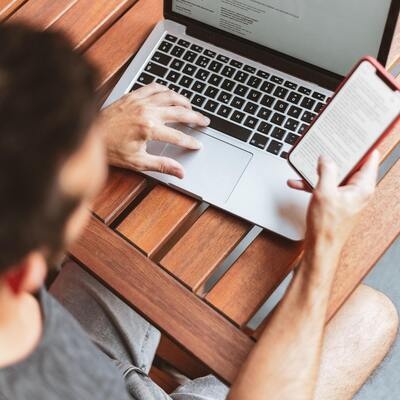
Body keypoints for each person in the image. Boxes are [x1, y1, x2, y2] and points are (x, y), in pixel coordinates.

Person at [0, 23, 397, 400]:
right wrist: (323, 251)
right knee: (370, 317)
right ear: (24, 274)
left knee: (150, 209)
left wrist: (93, 138)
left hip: (73, 343)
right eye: (84, 196)